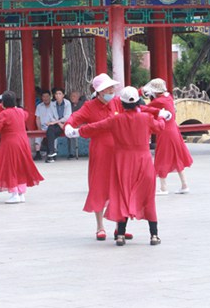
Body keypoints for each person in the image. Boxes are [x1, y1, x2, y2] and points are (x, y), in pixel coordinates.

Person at [69, 86, 168, 246]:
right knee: (148, 198)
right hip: (144, 162)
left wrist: (77, 132)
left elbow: (96, 127)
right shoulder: (146, 118)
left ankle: (120, 235)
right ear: (137, 102)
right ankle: (154, 235)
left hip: (123, 163)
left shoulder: (116, 120)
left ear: (121, 104)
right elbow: (160, 127)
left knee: (123, 195)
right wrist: (162, 116)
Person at [64, 73, 124, 240]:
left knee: (118, 187)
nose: (112, 90)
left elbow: (135, 106)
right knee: (98, 186)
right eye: (108, 88)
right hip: (100, 151)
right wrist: (69, 125)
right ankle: (100, 227)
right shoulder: (90, 106)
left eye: (112, 87)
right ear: (99, 92)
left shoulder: (117, 102)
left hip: (118, 150)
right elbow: (75, 117)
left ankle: (120, 225)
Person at [0, 91, 45, 203]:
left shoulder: (4, 114)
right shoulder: (21, 112)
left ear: (3, 102)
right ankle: (21, 193)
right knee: (21, 167)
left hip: (10, 143)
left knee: (11, 167)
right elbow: (25, 115)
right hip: (23, 142)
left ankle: (14, 193)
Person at [143, 78, 193, 195]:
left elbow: (145, 108)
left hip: (165, 132)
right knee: (177, 157)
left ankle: (164, 187)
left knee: (162, 157)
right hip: (174, 130)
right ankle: (184, 184)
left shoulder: (159, 101)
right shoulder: (168, 97)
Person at [44, 88, 72, 163]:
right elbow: (51, 116)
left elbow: (67, 117)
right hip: (57, 124)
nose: (57, 95)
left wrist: (58, 122)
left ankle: (50, 154)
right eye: (56, 94)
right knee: (50, 130)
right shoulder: (52, 104)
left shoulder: (67, 103)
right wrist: (58, 123)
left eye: (59, 94)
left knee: (50, 133)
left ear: (63, 95)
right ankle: (51, 153)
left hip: (65, 123)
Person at [34, 91, 57, 161]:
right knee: (37, 136)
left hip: (52, 126)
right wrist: (39, 128)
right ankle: (38, 153)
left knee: (53, 135)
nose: (45, 98)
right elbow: (37, 118)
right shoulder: (39, 106)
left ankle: (53, 152)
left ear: (50, 97)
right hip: (43, 126)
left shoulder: (54, 105)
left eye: (47, 96)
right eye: (44, 97)